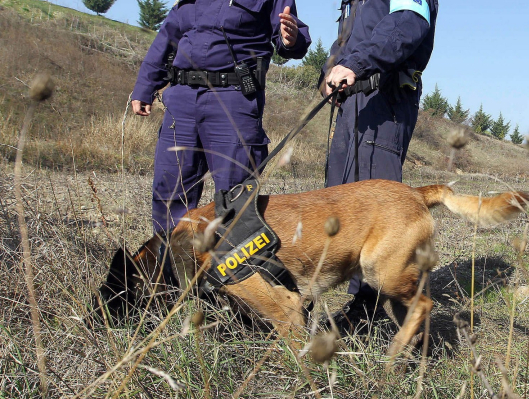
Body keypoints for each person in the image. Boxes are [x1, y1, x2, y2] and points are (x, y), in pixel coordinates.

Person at [131, 0, 311, 233]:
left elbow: (290, 37)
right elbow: (167, 38)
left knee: (234, 197)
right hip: (182, 100)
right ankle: (172, 265)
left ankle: (234, 267)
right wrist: (145, 86)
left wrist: (292, 40)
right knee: (169, 193)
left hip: (233, 98)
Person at [319, 0, 439, 311]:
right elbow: (344, 42)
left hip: (385, 101)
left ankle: (379, 307)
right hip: (353, 105)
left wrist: (356, 65)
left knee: (379, 209)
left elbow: (406, 23)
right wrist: (328, 74)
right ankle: (360, 300)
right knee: (343, 203)